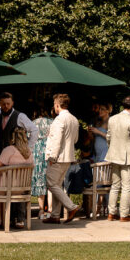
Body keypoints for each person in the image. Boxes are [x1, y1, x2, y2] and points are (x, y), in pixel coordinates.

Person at [43, 93, 80, 224]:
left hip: (58, 157)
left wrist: (52, 156)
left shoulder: (59, 120)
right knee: (57, 185)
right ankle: (55, 215)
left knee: (51, 184)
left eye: (54, 105)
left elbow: (57, 140)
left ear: (57, 105)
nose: (54, 107)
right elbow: (75, 139)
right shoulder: (74, 119)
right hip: (68, 156)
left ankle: (71, 207)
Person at [105, 96, 130, 221]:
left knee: (115, 185)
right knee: (126, 186)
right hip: (126, 157)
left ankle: (111, 213)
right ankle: (124, 215)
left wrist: (112, 148)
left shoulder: (112, 118)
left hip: (113, 155)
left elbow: (108, 137)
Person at [0, 92, 39, 163]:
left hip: (16, 159)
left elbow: (34, 130)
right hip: (0, 158)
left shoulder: (20, 116)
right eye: (3, 104)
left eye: (8, 104)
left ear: (12, 103)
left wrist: (28, 149)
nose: (6, 106)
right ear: (0, 104)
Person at [31, 106, 54, 216]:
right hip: (49, 152)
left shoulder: (32, 123)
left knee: (40, 183)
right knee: (50, 183)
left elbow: (28, 138)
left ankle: (41, 210)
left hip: (36, 154)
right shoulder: (52, 122)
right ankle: (50, 209)